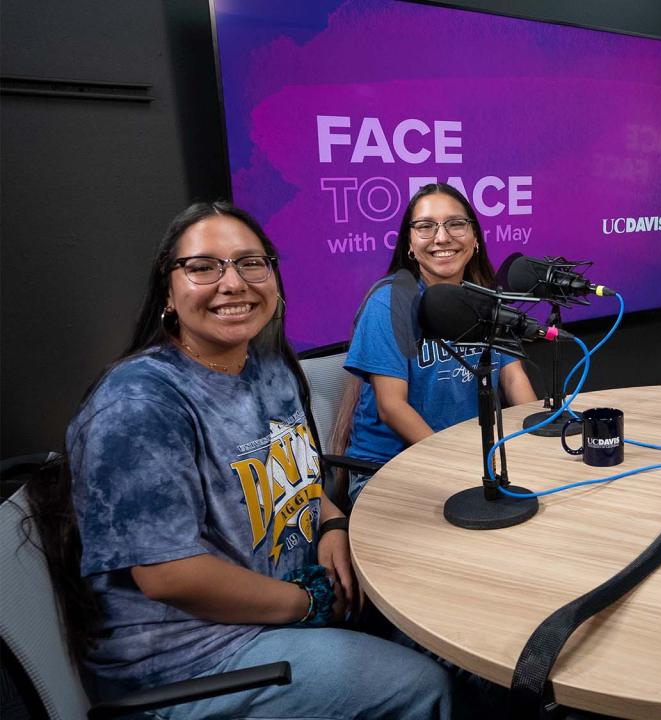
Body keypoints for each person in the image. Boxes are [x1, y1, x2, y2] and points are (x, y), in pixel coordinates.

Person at [26, 202, 452, 718]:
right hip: (197, 659)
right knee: (424, 685)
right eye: (203, 267)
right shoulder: (138, 402)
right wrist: (309, 603)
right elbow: (169, 575)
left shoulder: (269, 367)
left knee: (443, 626)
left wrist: (332, 524)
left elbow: (300, 479)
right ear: (168, 290)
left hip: (288, 604)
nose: (233, 283)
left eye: (251, 263)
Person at [343, 183, 537, 503]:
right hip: (390, 470)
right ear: (409, 243)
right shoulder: (390, 302)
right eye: (425, 226)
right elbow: (391, 407)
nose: (442, 237)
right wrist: (456, 465)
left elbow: (513, 377)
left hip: (475, 460)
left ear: (475, 238)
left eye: (456, 224)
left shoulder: (487, 300)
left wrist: (536, 442)